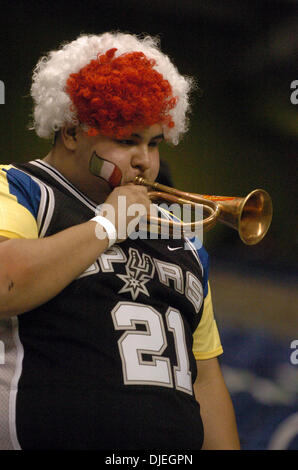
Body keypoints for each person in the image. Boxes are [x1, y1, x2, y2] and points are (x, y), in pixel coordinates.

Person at [0, 32, 240, 450]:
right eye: (127, 141)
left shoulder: (181, 237)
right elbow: (6, 285)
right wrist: (108, 225)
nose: (144, 160)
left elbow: (205, 380)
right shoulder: (20, 188)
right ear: (72, 132)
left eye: (153, 143)